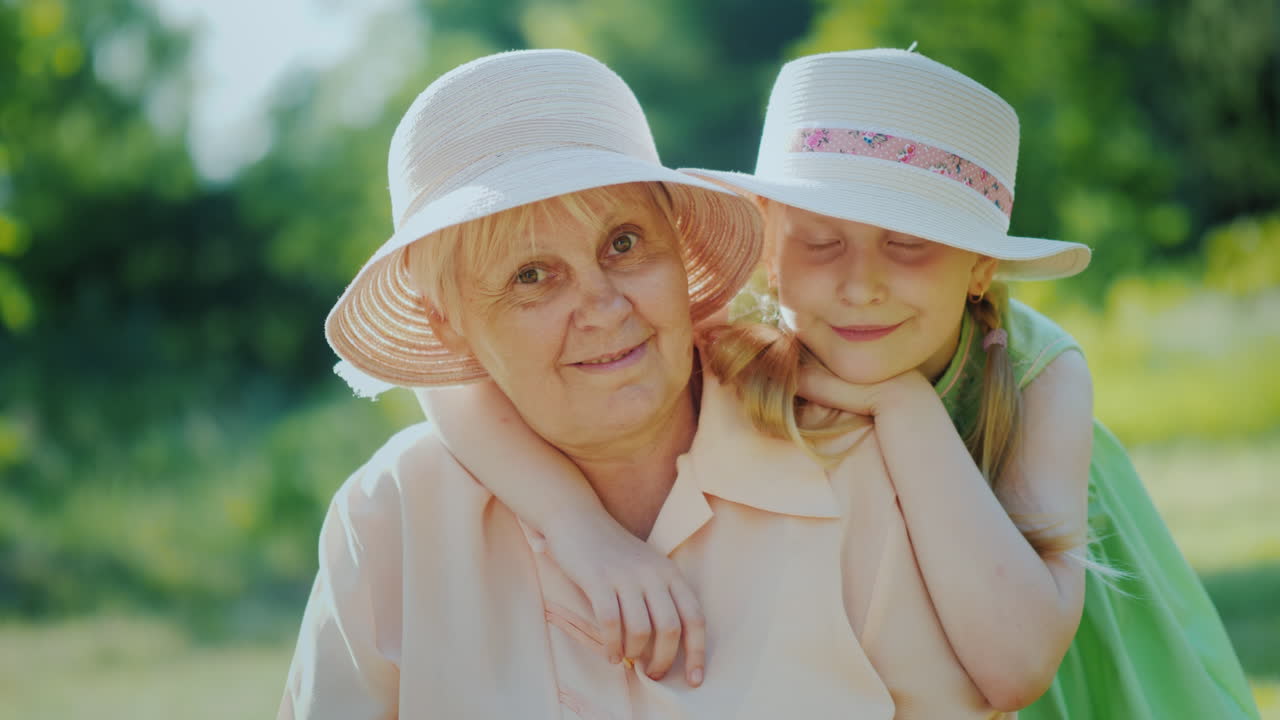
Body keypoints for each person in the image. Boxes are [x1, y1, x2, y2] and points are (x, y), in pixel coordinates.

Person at [421, 49, 1261, 718]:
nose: (860, 286)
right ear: (769, 237)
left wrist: (905, 408)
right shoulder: (737, 340)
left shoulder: (1041, 372)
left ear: (978, 268)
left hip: (1071, 663)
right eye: (820, 243)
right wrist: (575, 525)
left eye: (908, 245)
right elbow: (452, 384)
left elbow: (1017, 667)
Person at [282, 48, 923, 719]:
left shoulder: (850, 471)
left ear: (678, 251)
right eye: (532, 276)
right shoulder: (392, 518)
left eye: (623, 244)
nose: (605, 308)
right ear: (450, 326)